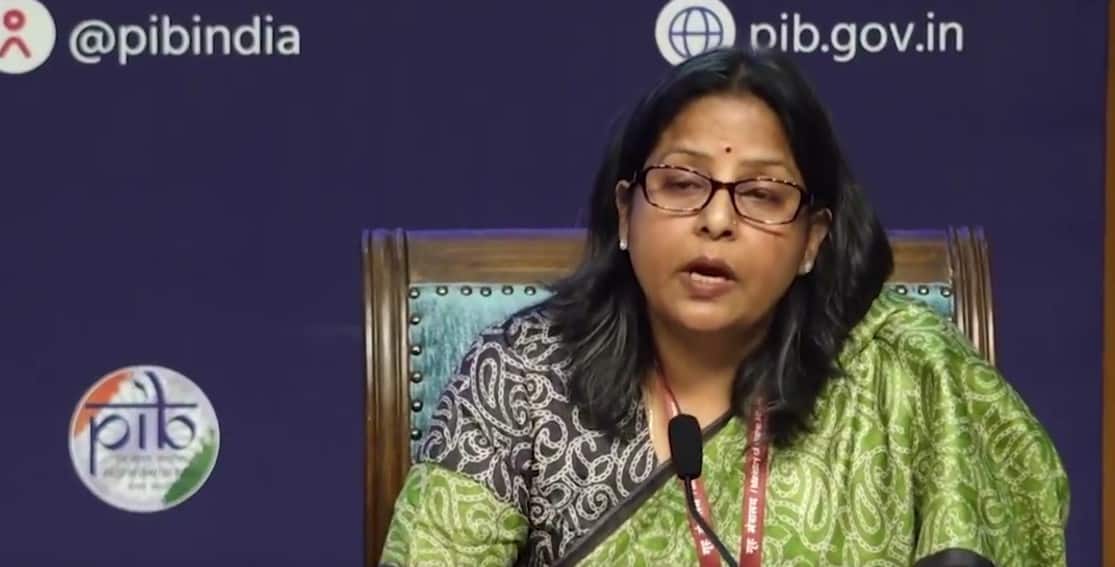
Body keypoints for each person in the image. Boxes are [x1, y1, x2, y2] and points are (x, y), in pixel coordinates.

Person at [378, 47, 1069, 566]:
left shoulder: (902, 376)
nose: (716, 220)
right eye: (682, 183)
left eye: (762, 194)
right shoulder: (522, 377)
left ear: (811, 241)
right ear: (625, 212)